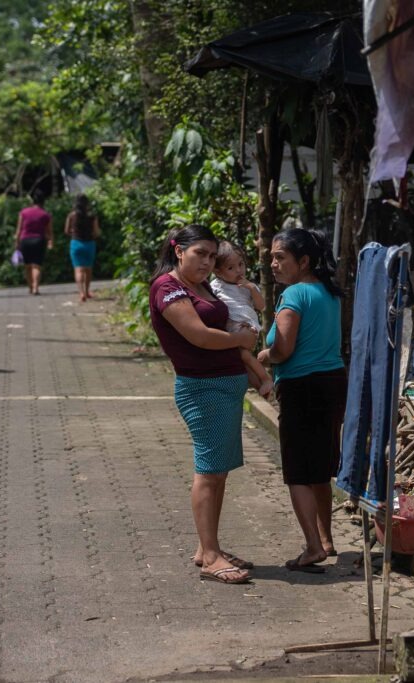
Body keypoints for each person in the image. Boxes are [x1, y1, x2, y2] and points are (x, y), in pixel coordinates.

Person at [149, 224, 259, 585]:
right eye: (200, 253)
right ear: (178, 251)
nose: (208, 262)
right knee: (209, 471)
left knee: (219, 470)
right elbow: (198, 335)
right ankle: (211, 557)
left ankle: (206, 548)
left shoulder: (201, 286)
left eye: (213, 256)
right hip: (202, 388)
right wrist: (238, 339)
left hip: (226, 385)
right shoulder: (168, 288)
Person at [257, 228, 347, 573]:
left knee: (297, 472)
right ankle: (326, 539)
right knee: (321, 470)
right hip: (332, 383)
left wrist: (264, 356)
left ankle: (312, 547)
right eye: (272, 257)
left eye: (281, 257)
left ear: (304, 261)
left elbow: (284, 349)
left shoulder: (294, 294)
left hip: (302, 387)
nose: (273, 263)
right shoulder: (330, 292)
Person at [210, 241, 274, 399]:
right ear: (217, 271)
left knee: (243, 356)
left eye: (241, 264)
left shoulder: (248, 286)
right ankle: (261, 387)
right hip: (230, 328)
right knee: (242, 362)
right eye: (231, 268)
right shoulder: (215, 286)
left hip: (246, 326)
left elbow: (261, 306)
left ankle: (266, 379)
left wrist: (252, 289)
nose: (239, 270)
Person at [15, 189, 53, 295]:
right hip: (39, 240)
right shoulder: (45, 214)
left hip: (25, 240)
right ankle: (36, 287)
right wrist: (50, 242)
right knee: (37, 265)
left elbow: (19, 229)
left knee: (27, 266)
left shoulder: (23, 212)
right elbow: (49, 231)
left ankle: (30, 287)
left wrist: (17, 242)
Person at [64, 194, 101, 302]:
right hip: (89, 244)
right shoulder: (92, 216)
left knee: (78, 269)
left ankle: (81, 293)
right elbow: (97, 232)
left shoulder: (71, 216)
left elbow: (66, 231)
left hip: (76, 243)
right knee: (88, 269)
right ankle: (87, 291)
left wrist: (73, 232)